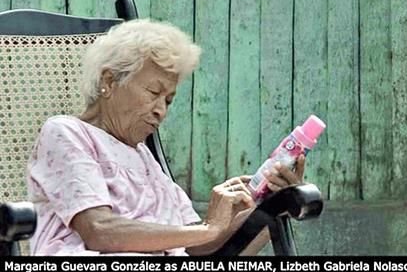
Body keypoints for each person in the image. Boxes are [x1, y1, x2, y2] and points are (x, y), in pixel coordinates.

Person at [26, 19, 305, 255]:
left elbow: (199, 246)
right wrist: (209, 228)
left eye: (169, 100)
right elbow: (100, 231)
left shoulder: (143, 158)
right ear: (110, 82)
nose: (161, 111)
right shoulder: (67, 132)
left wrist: (272, 204)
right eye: (153, 93)